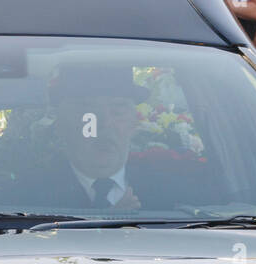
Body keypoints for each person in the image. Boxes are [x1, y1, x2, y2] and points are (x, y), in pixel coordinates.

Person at [15, 64, 167, 210]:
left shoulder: (168, 192)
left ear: (134, 124)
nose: (104, 123)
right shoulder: (24, 199)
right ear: (60, 125)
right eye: (87, 111)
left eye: (118, 110)